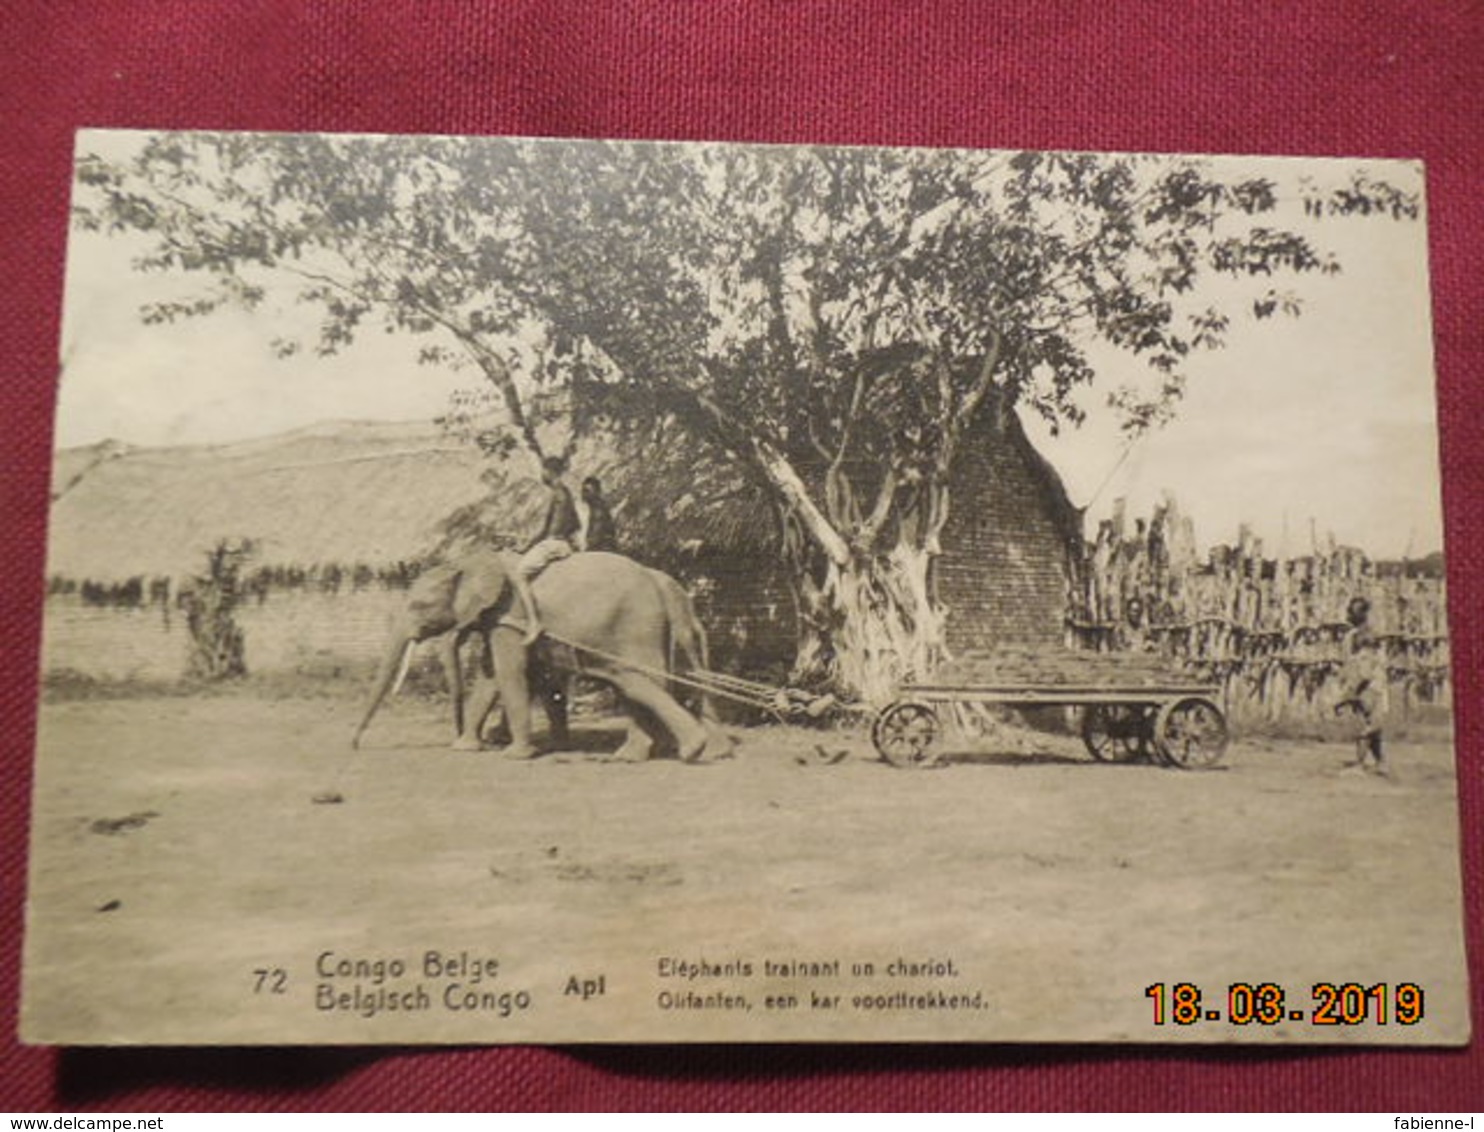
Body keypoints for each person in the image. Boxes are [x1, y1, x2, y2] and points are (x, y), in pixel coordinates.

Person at [515, 455, 581, 640]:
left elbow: (545, 529)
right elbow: (576, 525)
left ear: (550, 472)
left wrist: (525, 544)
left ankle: (534, 622)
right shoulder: (567, 493)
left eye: (543, 470)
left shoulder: (554, 494)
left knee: (519, 574)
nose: (541, 474)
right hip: (566, 544)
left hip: (553, 543)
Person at [1334, 595, 1390, 777]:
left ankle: (1360, 764)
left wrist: (1349, 692)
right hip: (1368, 683)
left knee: (1365, 726)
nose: (1348, 614)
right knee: (1374, 726)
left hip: (1368, 685)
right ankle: (1381, 763)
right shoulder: (1355, 635)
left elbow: (1364, 670)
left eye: (1352, 611)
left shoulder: (1363, 637)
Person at [581, 475, 619, 553]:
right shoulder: (595, 507)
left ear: (597, 492)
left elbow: (595, 536)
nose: (584, 494)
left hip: (603, 549)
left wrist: (587, 548)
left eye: (587, 491)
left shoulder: (598, 509)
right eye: (583, 490)